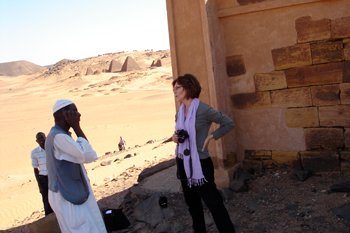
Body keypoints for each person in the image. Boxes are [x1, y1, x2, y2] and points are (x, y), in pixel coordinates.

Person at [170, 74, 236, 233]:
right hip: (183, 161)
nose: (175, 91)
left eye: (178, 88)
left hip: (200, 163)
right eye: (174, 88)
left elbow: (228, 123)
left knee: (213, 203)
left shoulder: (202, 109)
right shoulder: (180, 111)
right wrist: (175, 138)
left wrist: (212, 137)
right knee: (192, 204)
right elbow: (180, 133)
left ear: (188, 88)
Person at [45, 99, 107, 233]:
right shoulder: (59, 137)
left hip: (69, 192)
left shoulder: (59, 135)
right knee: (84, 228)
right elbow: (89, 155)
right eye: (74, 111)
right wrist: (77, 128)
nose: (79, 115)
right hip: (68, 196)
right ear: (65, 114)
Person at [31, 132, 53, 216]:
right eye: (39, 139)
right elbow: (35, 169)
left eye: (43, 138)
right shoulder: (34, 152)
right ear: (37, 141)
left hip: (54, 176)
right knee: (46, 199)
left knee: (57, 197)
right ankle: (48, 220)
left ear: (46, 137)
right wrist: (39, 185)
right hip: (43, 178)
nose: (42, 140)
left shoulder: (52, 148)